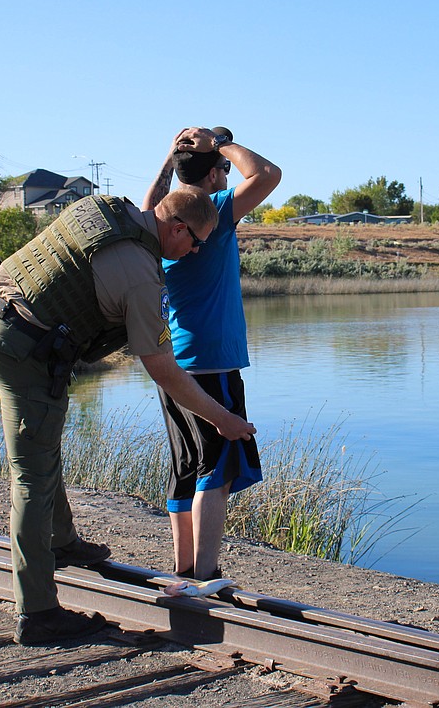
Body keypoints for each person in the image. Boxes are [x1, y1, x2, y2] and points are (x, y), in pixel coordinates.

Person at [0, 189, 256, 646]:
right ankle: (37, 612)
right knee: (31, 480)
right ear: (177, 227)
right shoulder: (142, 277)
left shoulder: (109, 209)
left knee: (42, 449)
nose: (196, 251)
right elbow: (162, 368)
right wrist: (224, 419)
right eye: (197, 241)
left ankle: (61, 542)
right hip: (21, 348)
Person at [141, 126, 281, 582]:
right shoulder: (213, 214)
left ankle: (182, 569)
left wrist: (172, 157)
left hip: (174, 363)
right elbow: (266, 174)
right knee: (216, 471)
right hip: (213, 363)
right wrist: (220, 146)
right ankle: (205, 574)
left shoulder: (160, 221)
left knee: (186, 468)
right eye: (221, 170)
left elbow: (149, 202)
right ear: (213, 174)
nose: (227, 174)